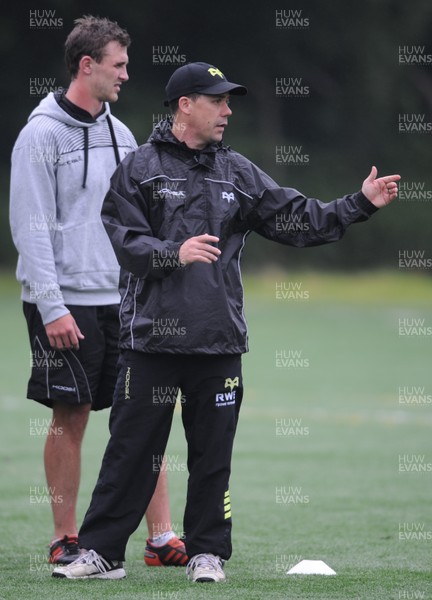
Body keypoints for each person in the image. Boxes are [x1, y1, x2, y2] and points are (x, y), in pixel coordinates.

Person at [52, 61, 400, 582]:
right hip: (149, 341)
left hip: (217, 342)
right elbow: (124, 240)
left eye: (230, 101)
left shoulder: (237, 171)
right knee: (130, 452)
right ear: (185, 105)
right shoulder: (140, 167)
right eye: (218, 101)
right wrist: (174, 252)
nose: (228, 110)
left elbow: (296, 219)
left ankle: (206, 553)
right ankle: (102, 553)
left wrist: (359, 204)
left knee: (212, 457)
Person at [9, 16, 187, 568]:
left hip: (124, 300)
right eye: (119, 65)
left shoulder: (122, 132)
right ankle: (66, 536)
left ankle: (161, 539)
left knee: (144, 416)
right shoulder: (40, 135)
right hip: (64, 304)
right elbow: (30, 225)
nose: (126, 76)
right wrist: (52, 305)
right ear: (87, 66)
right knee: (72, 414)